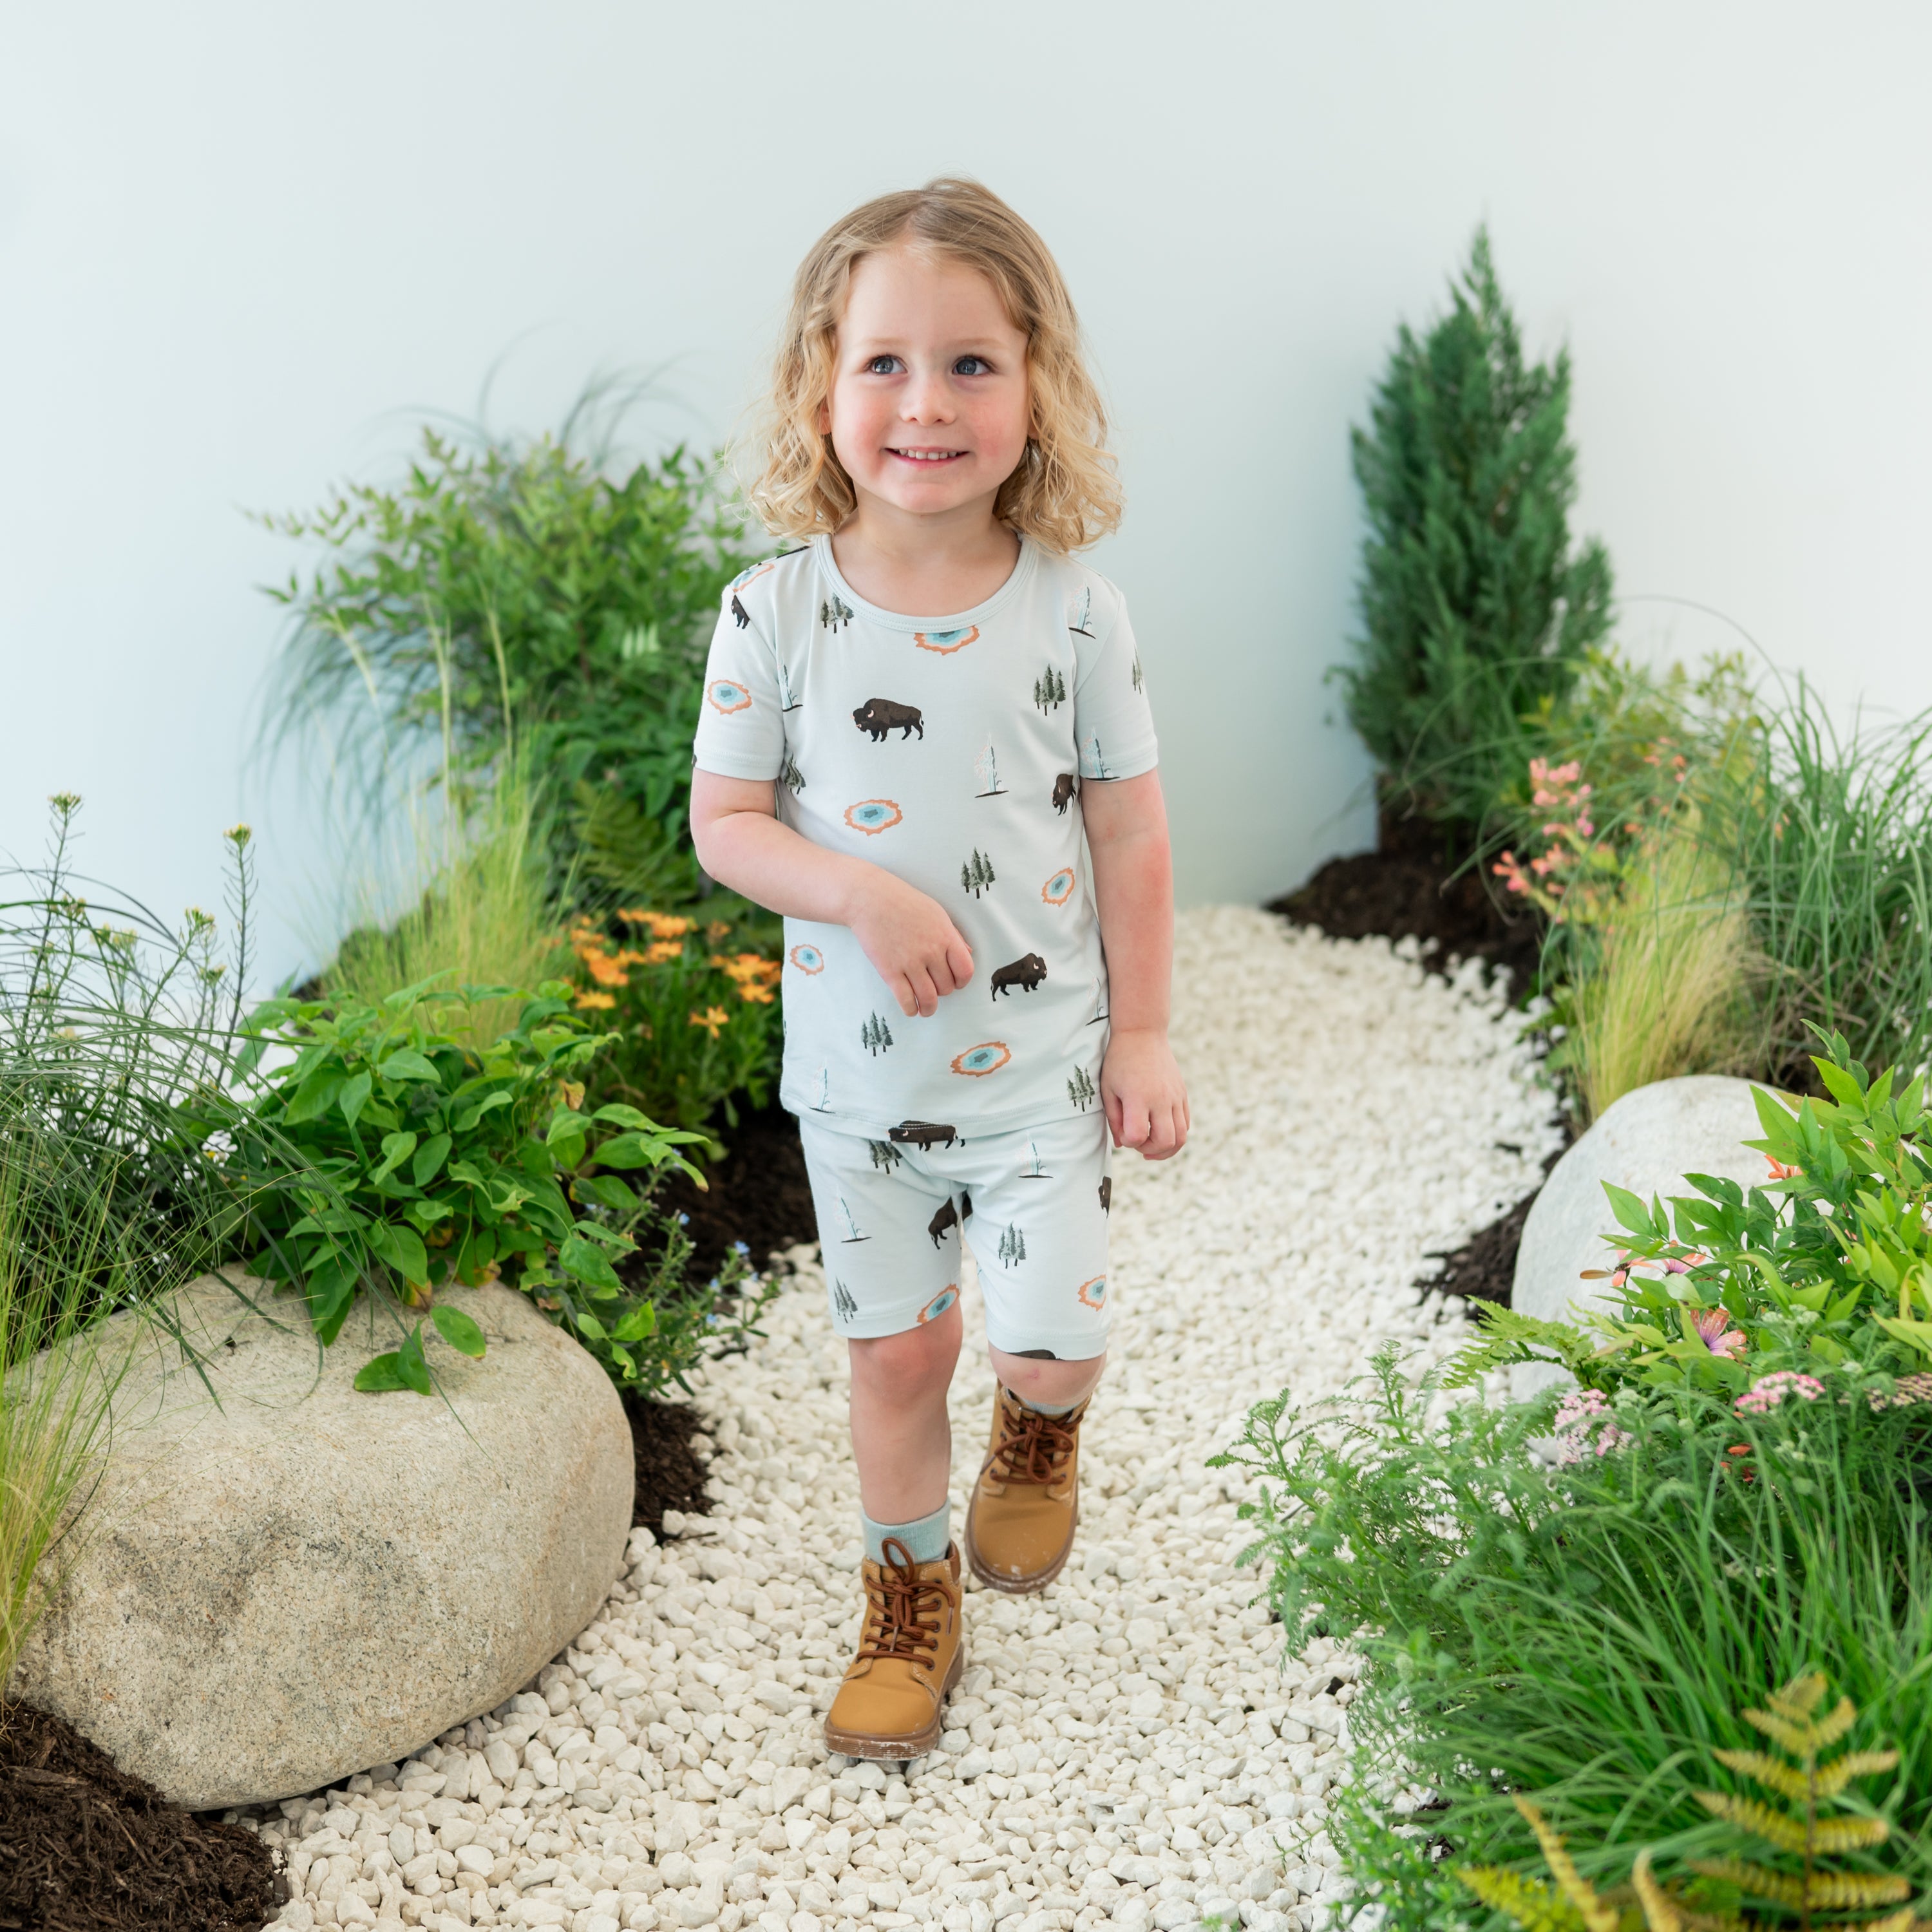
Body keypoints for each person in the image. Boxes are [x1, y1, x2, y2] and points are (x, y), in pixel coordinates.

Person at [689, 177, 1188, 1762]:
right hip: (859, 1087)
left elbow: (1132, 840)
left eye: (971, 364)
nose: (926, 404)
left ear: (1037, 386)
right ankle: (908, 1600)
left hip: (1043, 1071)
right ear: (820, 389)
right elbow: (725, 825)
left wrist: (1150, 1035)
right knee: (899, 1353)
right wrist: (857, 894)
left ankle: (1039, 1432)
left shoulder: (1076, 617)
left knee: (1054, 1340)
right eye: (885, 365)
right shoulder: (772, 614)